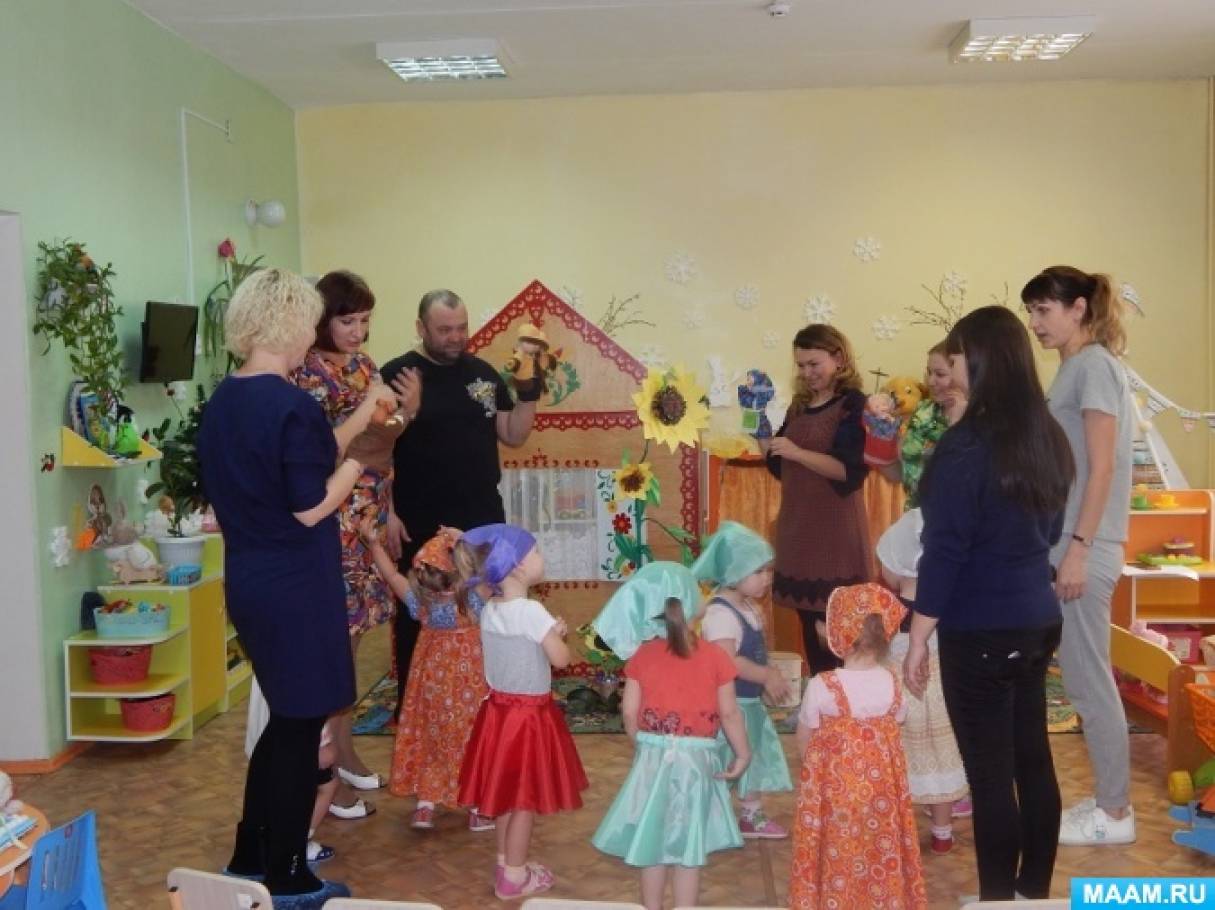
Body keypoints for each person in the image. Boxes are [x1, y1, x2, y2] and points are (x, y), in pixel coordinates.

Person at [197, 267, 375, 907]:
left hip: (251, 581)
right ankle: (288, 874)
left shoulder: (224, 401)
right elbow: (309, 506)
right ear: (293, 323)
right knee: (299, 731)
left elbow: (272, 479)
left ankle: (251, 854)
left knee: (288, 723)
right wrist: (358, 465)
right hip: (295, 587)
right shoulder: (292, 406)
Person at [905, 305, 1075, 902]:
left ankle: (998, 899)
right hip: (1036, 619)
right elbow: (1050, 531)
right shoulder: (1047, 434)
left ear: (977, 361)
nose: (948, 371)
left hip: (979, 629)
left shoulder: (965, 447)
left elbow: (944, 551)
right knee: (1033, 761)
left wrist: (918, 637)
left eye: (954, 358)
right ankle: (1031, 893)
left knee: (990, 777)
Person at [289, 270, 420, 816]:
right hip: (333, 514)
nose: (358, 331)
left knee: (355, 640)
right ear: (324, 318)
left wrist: (407, 412)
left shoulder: (364, 365)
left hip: (370, 510)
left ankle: (342, 752)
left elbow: (383, 436)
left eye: (365, 320)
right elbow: (323, 448)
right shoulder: (306, 372)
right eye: (348, 320)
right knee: (334, 647)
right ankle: (331, 759)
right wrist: (374, 418)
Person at [381, 290, 541, 715]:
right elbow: (377, 449)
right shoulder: (397, 375)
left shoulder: (483, 374)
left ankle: (483, 707)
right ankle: (418, 714)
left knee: (486, 610)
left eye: (461, 328)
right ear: (421, 328)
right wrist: (388, 513)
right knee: (420, 616)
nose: (456, 337)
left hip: (481, 517)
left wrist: (528, 394)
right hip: (419, 520)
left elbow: (513, 434)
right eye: (444, 329)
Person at [1024, 265, 1136, 847]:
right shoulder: (1074, 368)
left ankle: (1116, 814)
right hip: (1068, 541)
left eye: (1044, 309)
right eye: (1031, 311)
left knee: (1090, 683)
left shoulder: (1093, 365)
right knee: (1084, 679)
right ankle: (1110, 802)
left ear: (1078, 309)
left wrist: (1079, 549)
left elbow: (1103, 466)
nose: (1035, 322)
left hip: (1083, 546)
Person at [590, 562, 749, 910]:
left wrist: (643, 741)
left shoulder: (642, 656)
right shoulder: (716, 657)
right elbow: (729, 714)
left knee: (653, 842)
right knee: (687, 849)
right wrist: (742, 754)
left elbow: (629, 712)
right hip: (696, 763)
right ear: (691, 602)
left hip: (652, 759)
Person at [453, 524, 588, 900]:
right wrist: (556, 635)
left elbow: (519, 650)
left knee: (506, 797)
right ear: (517, 565)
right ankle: (514, 877)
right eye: (536, 552)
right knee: (524, 801)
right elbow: (560, 660)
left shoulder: (490, 609)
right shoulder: (531, 611)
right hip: (528, 719)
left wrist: (546, 632)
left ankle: (505, 863)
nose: (541, 558)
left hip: (498, 715)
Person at [789, 583, 925, 910]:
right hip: (881, 793)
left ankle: (836, 899)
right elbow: (899, 718)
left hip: (834, 792)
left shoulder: (823, 685)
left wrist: (813, 774)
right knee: (878, 843)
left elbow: (804, 735)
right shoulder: (891, 681)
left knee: (838, 844)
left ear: (838, 635)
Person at [360, 522, 494, 833]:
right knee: (470, 737)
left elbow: (392, 575)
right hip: (470, 690)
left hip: (431, 687)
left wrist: (374, 544)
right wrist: (465, 539)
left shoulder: (421, 603)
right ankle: (476, 808)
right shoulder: (474, 600)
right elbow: (495, 568)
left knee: (430, 735)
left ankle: (425, 805)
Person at [762, 324, 872, 674]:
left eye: (814, 364)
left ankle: (845, 698)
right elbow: (778, 465)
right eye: (801, 365)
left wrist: (797, 452)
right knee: (812, 631)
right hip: (799, 533)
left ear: (838, 358)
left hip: (835, 538)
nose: (807, 373)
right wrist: (760, 430)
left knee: (840, 635)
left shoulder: (854, 404)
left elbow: (848, 471)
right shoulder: (799, 406)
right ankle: (824, 695)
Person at [876, 508, 969, 855]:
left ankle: (894, 832)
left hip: (900, 703)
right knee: (940, 763)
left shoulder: (889, 608)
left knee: (897, 768)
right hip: (941, 702)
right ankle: (942, 833)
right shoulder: (948, 600)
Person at [692, 521, 793, 839]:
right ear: (733, 573)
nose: (767, 577)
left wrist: (768, 677)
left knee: (753, 755)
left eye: (768, 570)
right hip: (728, 705)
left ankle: (751, 814)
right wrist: (765, 675)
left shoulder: (747, 607)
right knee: (727, 756)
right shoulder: (720, 614)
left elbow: (755, 653)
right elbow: (727, 663)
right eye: (758, 571)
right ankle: (707, 815)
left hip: (748, 702)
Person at [244, 679, 339, 865]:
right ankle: (299, 841)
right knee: (327, 787)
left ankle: (276, 839)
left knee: (277, 792)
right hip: (303, 745)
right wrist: (324, 745)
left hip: (275, 744)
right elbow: (310, 709)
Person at [875, 340, 968, 509]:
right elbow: (903, 473)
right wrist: (878, 440)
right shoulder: (923, 410)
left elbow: (961, 479)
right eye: (929, 372)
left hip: (953, 516)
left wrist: (957, 422)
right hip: (916, 514)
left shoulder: (977, 419)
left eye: (940, 374)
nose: (930, 381)